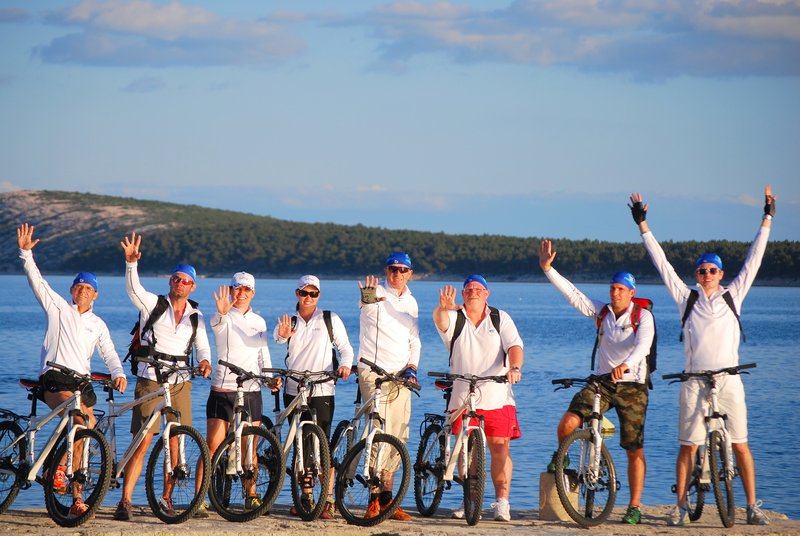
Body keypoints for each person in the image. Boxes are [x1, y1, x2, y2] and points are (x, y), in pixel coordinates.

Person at [629, 186, 775, 526]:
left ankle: (752, 507)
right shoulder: (687, 298)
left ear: (721, 274)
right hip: (693, 381)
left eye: (712, 270)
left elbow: (755, 257)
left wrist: (767, 216)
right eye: (702, 271)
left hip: (729, 379)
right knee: (688, 447)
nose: (707, 275)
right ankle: (680, 506)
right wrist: (643, 225)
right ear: (696, 275)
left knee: (740, 445)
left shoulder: (733, 295)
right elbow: (662, 263)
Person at [539, 240, 653, 525]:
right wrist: (547, 269)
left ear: (631, 293)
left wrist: (625, 365)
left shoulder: (642, 317)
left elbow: (644, 347)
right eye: (612, 289)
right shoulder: (602, 312)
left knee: (634, 447)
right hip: (602, 381)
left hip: (632, 385)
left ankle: (634, 507)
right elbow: (574, 295)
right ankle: (563, 457)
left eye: (621, 290)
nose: (615, 293)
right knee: (568, 422)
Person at [17, 223, 127, 517]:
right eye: (79, 287)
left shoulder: (98, 324)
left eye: (88, 288)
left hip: (81, 382)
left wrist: (119, 373)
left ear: (95, 295)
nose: (83, 291)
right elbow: (36, 281)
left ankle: (76, 494)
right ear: (71, 290)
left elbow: (110, 352)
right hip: (54, 376)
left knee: (87, 426)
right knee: (76, 416)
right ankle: (61, 468)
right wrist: (26, 254)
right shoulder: (57, 308)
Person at [114, 231, 212, 522]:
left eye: (186, 281)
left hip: (180, 382)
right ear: (171, 281)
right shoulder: (153, 304)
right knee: (142, 441)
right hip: (151, 379)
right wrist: (131, 264)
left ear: (193, 286)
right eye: (176, 279)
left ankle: (167, 500)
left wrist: (206, 361)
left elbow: (203, 346)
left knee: (176, 442)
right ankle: (126, 500)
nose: (180, 284)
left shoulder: (196, 315)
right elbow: (133, 290)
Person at [433, 274, 523, 522]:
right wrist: (443, 307)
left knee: (499, 447)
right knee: (466, 451)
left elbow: (514, 346)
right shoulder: (454, 318)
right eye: (468, 288)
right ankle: (470, 501)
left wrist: (514, 368)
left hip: (497, 395)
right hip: (463, 395)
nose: (473, 291)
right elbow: (440, 321)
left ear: (487, 293)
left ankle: (502, 502)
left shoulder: (499, 318)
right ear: (463, 294)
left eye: (478, 288)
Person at [197, 272, 278, 518]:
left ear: (252, 292)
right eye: (237, 289)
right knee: (212, 446)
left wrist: (271, 378)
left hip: (252, 390)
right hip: (224, 388)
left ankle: (250, 496)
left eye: (246, 290)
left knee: (249, 447)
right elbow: (217, 326)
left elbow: (263, 355)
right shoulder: (221, 317)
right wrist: (222, 312)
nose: (241, 293)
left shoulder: (259, 322)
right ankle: (200, 497)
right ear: (231, 290)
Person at [274, 275, 354, 520]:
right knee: (302, 444)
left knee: (322, 445)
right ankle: (305, 497)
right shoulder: (291, 321)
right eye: (304, 293)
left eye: (313, 294)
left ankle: (327, 499)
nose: (308, 298)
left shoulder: (329, 319)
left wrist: (345, 366)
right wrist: (282, 334)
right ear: (297, 293)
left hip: (322, 388)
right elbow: (277, 339)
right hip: (294, 388)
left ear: (319, 295)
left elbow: (345, 348)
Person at [356, 251, 421, 521]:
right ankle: (372, 497)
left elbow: (414, 340)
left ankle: (386, 498)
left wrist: (412, 368)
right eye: (393, 269)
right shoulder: (376, 292)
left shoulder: (411, 301)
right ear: (386, 271)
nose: (397, 273)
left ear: (410, 274)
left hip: (401, 374)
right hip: (373, 371)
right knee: (377, 430)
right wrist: (368, 298)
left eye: (402, 270)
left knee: (398, 435)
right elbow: (367, 309)